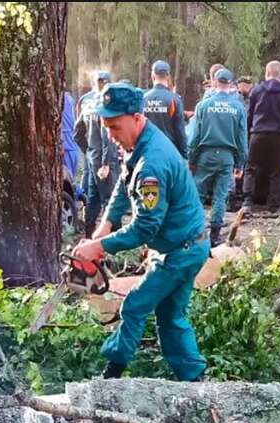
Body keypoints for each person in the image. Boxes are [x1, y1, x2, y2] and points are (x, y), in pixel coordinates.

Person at [73, 83, 209, 382]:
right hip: (185, 244)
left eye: (115, 126)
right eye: (106, 126)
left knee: (135, 305)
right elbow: (124, 182)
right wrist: (105, 225)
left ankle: (111, 375)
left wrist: (99, 248)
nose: (110, 134)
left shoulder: (152, 165)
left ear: (136, 117)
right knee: (171, 315)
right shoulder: (140, 143)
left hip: (180, 251)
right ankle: (195, 381)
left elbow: (145, 227)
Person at [188, 68, 247, 245]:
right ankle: (214, 235)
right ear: (230, 84)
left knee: (198, 194)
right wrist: (241, 163)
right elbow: (242, 138)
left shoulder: (203, 106)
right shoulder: (238, 107)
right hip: (227, 156)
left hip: (205, 155)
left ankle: (195, 231)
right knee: (220, 196)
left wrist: (191, 159)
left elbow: (195, 137)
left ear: (214, 82)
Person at [243, 61, 280, 213]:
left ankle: (247, 201)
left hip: (258, 133)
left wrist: (249, 132)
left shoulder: (256, 90)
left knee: (251, 167)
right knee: (276, 170)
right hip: (277, 135)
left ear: (266, 73)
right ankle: (273, 205)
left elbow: (250, 113)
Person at [75, 70, 121, 237]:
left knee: (92, 200)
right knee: (111, 200)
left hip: (92, 158)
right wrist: (106, 163)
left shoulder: (87, 104)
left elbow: (77, 132)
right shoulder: (105, 104)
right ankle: (115, 241)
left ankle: (89, 235)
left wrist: (88, 151)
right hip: (104, 161)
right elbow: (107, 136)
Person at [143, 60, 187, 158]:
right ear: (168, 76)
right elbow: (180, 131)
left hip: (148, 152)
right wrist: (184, 155)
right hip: (169, 152)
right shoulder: (174, 100)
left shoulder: (144, 99)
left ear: (152, 76)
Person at [62, 90, 79, 180]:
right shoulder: (68, 99)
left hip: (66, 147)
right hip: (71, 146)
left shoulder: (62, 99)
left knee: (67, 182)